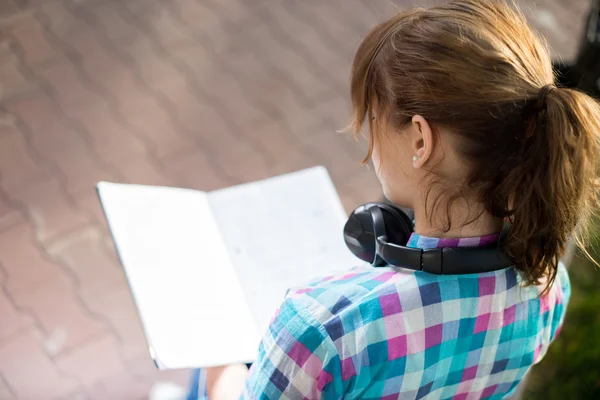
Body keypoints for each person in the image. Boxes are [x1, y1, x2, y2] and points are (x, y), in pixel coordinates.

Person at [201, 0, 600, 398]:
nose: (367, 137)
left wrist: (219, 358)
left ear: (420, 140)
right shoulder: (547, 288)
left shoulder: (323, 329)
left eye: (372, 116)